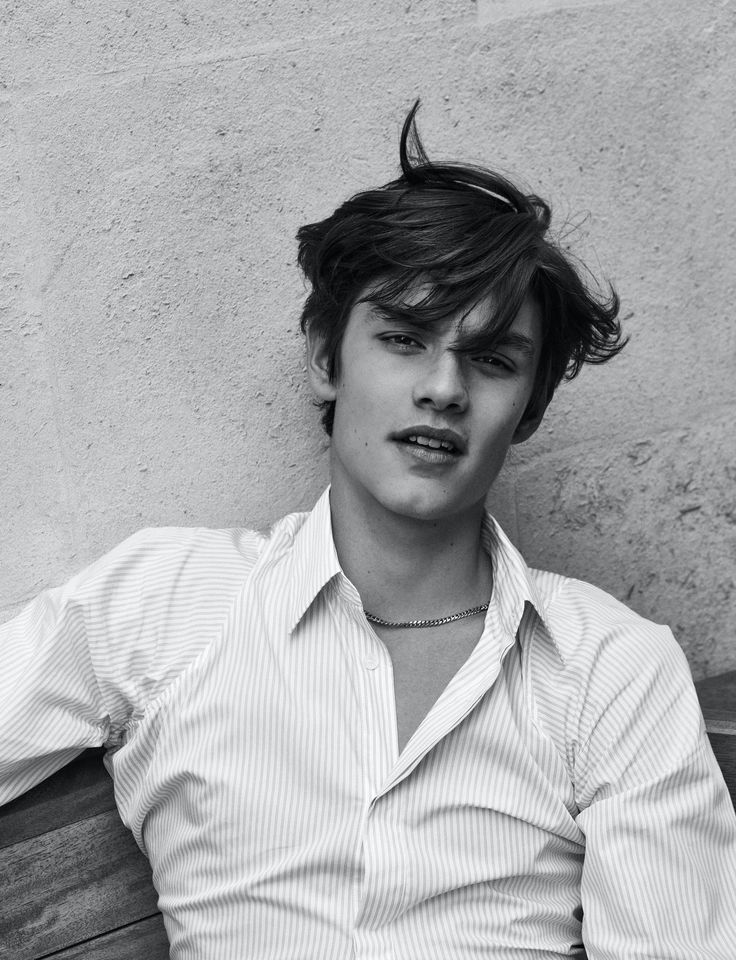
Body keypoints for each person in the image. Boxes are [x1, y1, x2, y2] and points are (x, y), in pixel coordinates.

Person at [2, 102, 735, 959]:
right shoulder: (167, 603)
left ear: (527, 410)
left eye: (493, 359)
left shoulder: (610, 668)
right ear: (326, 360)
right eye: (404, 338)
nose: (444, 388)